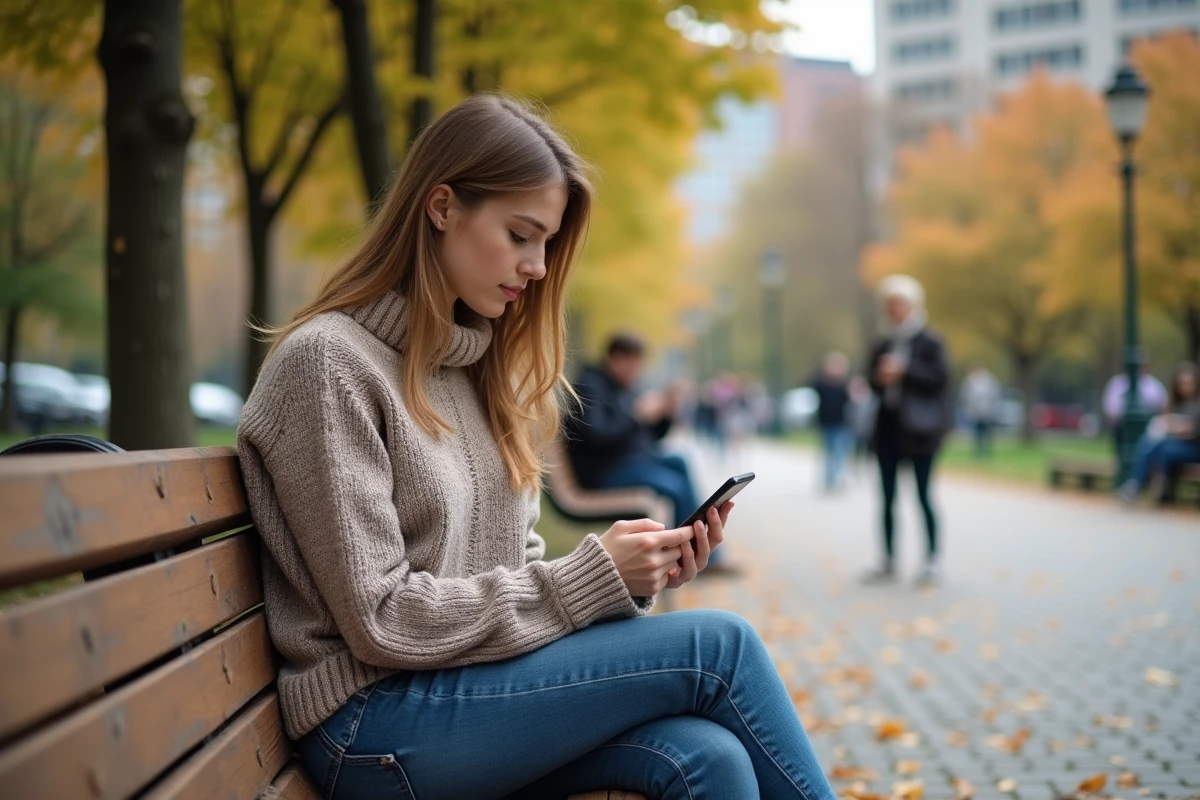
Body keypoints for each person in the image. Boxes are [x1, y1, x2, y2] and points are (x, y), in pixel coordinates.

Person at [236, 95, 831, 800]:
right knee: (720, 650)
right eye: (521, 235)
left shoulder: (478, 373)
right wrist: (586, 580)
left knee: (708, 758)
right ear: (442, 207)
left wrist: (629, 579)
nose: (539, 266)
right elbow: (381, 619)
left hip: (462, 695)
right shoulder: (329, 366)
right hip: (372, 723)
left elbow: (515, 570)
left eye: (546, 243)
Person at [565, 334, 737, 574]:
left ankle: (702, 552)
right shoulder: (590, 386)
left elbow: (644, 437)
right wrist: (637, 416)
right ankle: (692, 557)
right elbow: (597, 436)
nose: (637, 372)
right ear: (617, 359)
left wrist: (665, 414)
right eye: (634, 365)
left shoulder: (621, 387)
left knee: (679, 461)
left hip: (627, 461)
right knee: (673, 485)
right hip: (603, 471)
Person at [863, 275, 952, 587]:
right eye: (889, 305)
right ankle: (887, 559)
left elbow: (941, 379)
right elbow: (871, 383)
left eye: (899, 304)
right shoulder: (882, 342)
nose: (894, 310)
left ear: (912, 305)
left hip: (920, 432)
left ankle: (932, 559)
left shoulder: (930, 340)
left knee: (923, 495)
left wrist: (905, 371)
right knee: (886, 498)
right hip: (888, 429)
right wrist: (880, 378)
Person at [1117, 362, 1199, 504]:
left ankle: (1144, 485)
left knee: (1163, 448)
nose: (1185, 387)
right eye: (1182, 383)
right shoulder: (1174, 403)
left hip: (1194, 447)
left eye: (1189, 383)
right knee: (1147, 442)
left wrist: (1174, 427)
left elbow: (1193, 430)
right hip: (1174, 444)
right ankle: (1141, 485)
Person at [1102, 358, 1168, 454]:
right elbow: (1110, 408)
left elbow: (1163, 406)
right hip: (1123, 428)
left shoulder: (1153, 385)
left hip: (1147, 427)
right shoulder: (1117, 383)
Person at [811, 352, 853, 491]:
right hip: (825, 423)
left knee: (839, 452)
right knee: (828, 452)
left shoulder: (845, 385)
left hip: (841, 423)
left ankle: (837, 478)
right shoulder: (821, 383)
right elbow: (809, 384)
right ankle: (829, 479)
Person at [960, 365, 1001, 458]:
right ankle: (978, 451)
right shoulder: (970, 381)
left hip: (987, 411)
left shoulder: (989, 380)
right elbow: (966, 396)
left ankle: (986, 451)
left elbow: (994, 395)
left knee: (986, 433)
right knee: (977, 433)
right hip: (975, 412)